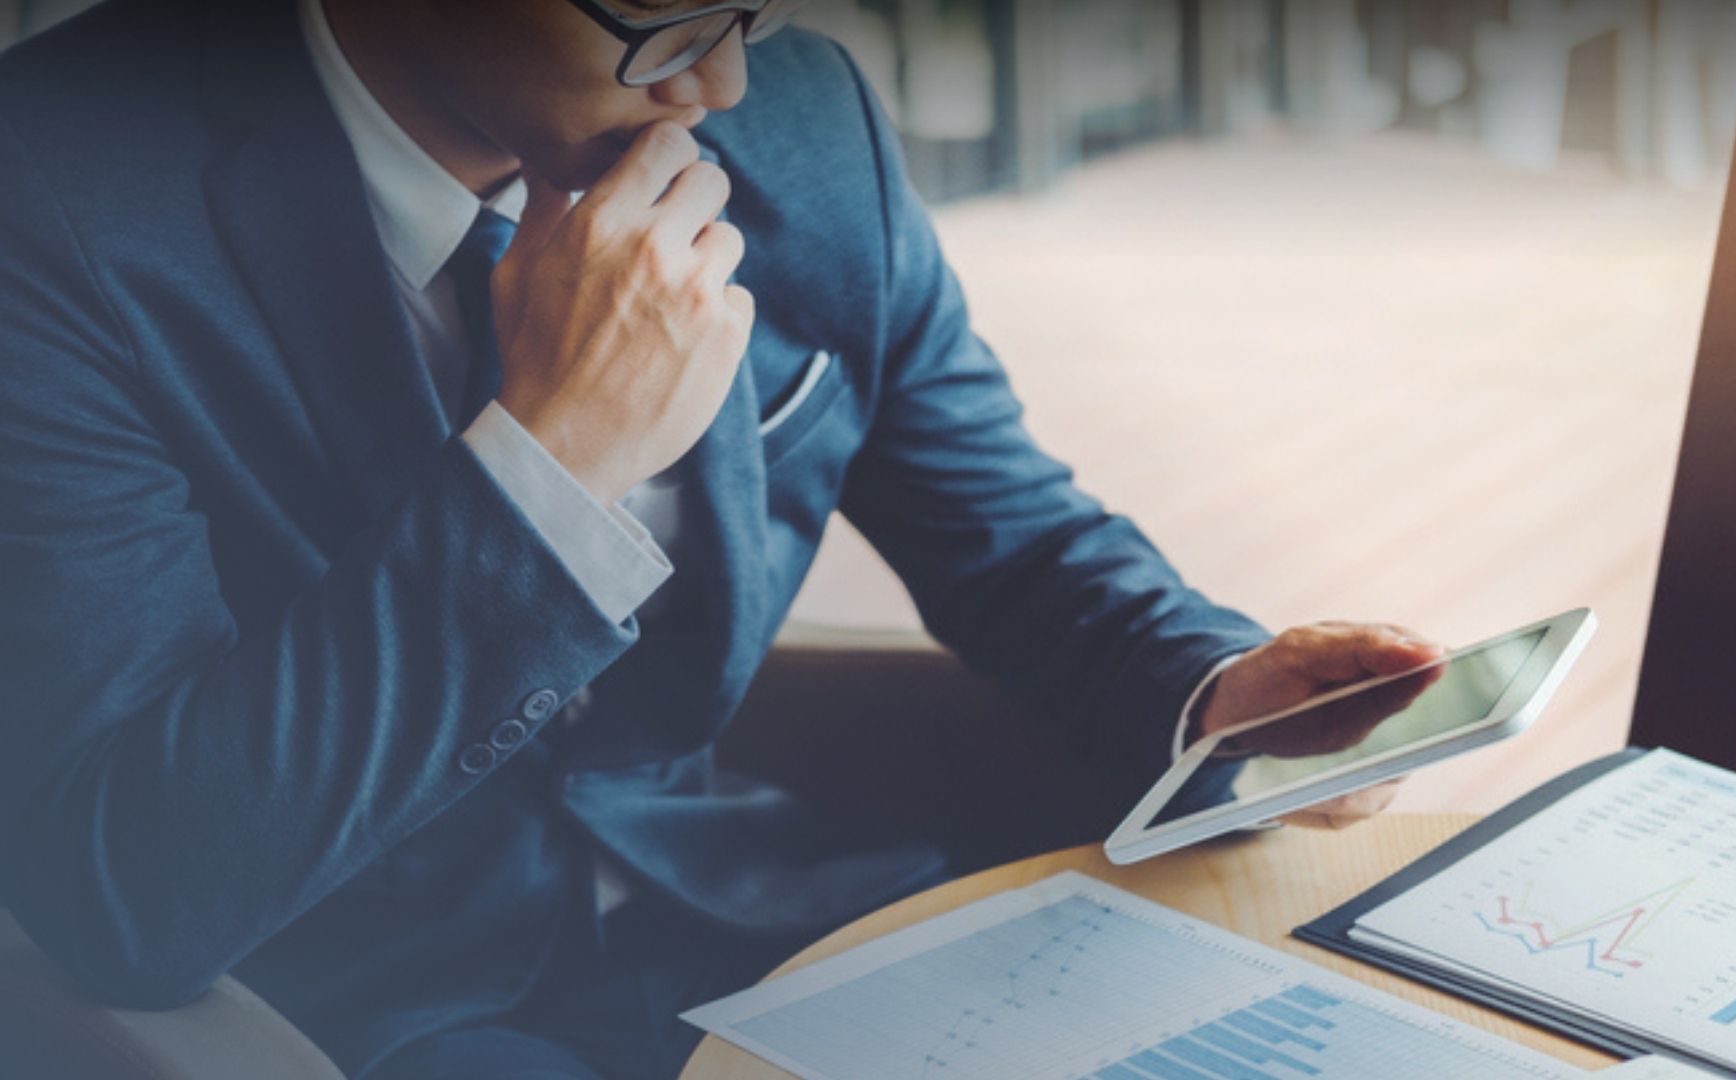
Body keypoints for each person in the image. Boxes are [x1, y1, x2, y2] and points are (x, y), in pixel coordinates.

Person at [0, 0, 1441, 1075]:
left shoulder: (807, 120)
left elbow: (1011, 536)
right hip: (368, 1012)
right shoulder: (54, 192)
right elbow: (131, 885)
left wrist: (1215, 686)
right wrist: (552, 463)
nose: (724, 79)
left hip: (770, 924)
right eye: (658, 16)